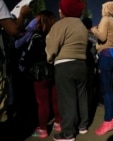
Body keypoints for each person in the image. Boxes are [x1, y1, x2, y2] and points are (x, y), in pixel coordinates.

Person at [45, 0, 89, 140]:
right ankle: (83, 125)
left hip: (65, 65)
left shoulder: (60, 24)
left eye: (60, 9)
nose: (59, 11)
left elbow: (52, 47)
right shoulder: (81, 25)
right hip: (82, 64)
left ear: (66, 10)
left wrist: (50, 59)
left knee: (67, 99)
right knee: (82, 96)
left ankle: (68, 132)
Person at [17, 10, 61, 138]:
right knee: (55, 100)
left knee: (42, 102)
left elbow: (29, 54)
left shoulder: (36, 36)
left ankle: (42, 129)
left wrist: (23, 63)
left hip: (39, 72)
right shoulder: (55, 35)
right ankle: (58, 123)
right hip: (53, 70)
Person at [90, 1, 113, 136]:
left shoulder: (105, 19)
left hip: (106, 56)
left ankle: (108, 121)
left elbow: (102, 37)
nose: (102, 10)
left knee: (106, 91)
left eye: (103, 7)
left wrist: (94, 30)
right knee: (111, 90)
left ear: (107, 9)